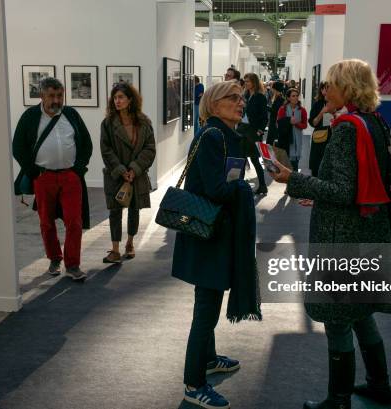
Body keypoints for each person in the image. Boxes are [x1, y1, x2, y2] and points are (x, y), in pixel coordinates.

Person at [269, 59, 391, 409]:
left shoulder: (346, 128)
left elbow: (341, 190)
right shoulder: (376, 123)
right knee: (361, 312)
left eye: (331, 84)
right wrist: (317, 189)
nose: (326, 90)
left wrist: (292, 179)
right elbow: (355, 186)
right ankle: (379, 386)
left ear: (348, 88)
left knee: (339, 319)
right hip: (369, 230)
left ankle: (338, 402)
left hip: (343, 235)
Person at [172, 80, 261, 409]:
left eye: (241, 98)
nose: (240, 103)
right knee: (206, 311)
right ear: (213, 103)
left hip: (215, 234)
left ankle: (208, 359)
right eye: (232, 98)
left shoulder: (222, 136)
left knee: (208, 304)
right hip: (208, 235)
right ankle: (194, 384)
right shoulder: (212, 137)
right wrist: (243, 190)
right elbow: (214, 190)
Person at [13, 77, 93, 281]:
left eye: (60, 95)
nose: (56, 100)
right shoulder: (30, 116)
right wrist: (33, 172)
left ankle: (73, 264)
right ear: (42, 96)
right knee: (46, 222)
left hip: (70, 177)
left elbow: (86, 143)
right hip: (44, 177)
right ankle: (54, 258)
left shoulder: (71, 114)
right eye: (52, 96)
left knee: (74, 221)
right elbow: (18, 147)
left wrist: (79, 169)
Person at [100, 83, 156, 263]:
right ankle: (115, 249)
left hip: (136, 175)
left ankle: (130, 243)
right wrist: (122, 170)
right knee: (115, 211)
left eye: (121, 97)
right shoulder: (108, 123)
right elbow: (105, 149)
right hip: (116, 174)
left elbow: (150, 148)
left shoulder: (144, 122)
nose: (117, 101)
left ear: (130, 99)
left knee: (134, 209)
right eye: (115, 97)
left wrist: (135, 168)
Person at [240, 73, 269, 195]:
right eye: (245, 81)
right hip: (242, 129)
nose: (246, 83)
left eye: (248, 81)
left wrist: (260, 130)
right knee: (240, 158)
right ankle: (239, 185)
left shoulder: (260, 97)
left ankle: (262, 185)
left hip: (253, 131)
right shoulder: (245, 95)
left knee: (254, 159)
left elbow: (264, 116)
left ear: (254, 82)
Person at [276, 88, 308, 172]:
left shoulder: (302, 110)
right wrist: (288, 121)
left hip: (297, 141)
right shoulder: (283, 109)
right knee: (286, 167)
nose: (296, 98)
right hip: (286, 140)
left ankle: (295, 182)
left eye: (297, 96)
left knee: (295, 165)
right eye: (293, 96)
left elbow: (305, 125)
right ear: (288, 98)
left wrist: (296, 123)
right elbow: (278, 124)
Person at [309, 81, 334, 177]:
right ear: (321, 90)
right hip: (320, 139)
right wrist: (322, 113)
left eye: (329, 88)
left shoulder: (335, 104)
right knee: (317, 166)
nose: (327, 90)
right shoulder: (318, 104)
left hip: (332, 138)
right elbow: (313, 123)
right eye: (325, 88)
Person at [266, 81, 285, 146]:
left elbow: (275, 111)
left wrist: (265, 107)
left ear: (275, 89)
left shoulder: (280, 99)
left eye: (272, 88)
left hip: (275, 122)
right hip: (273, 121)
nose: (271, 89)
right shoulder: (278, 97)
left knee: (272, 141)